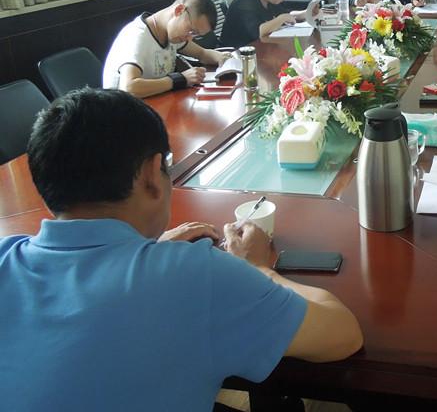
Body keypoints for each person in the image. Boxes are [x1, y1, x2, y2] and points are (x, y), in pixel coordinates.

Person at [0, 88, 363, 412]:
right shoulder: (191, 274)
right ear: (151, 174)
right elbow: (343, 335)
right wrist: (256, 267)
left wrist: (145, 250)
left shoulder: (6, 257)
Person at [102, 0, 229, 98]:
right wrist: (179, 79)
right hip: (121, 111)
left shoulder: (171, 34)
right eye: (191, 31)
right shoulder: (136, 37)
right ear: (179, 11)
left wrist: (223, 58)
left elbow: (202, 53)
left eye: (196, 35)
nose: (190, 38)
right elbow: (129, 88)